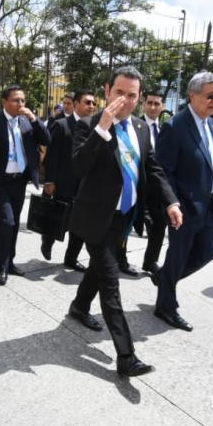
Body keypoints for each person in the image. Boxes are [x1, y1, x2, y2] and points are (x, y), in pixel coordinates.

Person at [68, 66, 182, 377]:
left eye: (132, 95)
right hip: (95, 217)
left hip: (124, 217)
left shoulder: (142, 130)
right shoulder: (89, 124)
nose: (126, 100)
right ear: (107, 91)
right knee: (110, 281)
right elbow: (78, 167)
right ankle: (126, 356)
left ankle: (78, 306)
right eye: (120, 93)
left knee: (98, 269)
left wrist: (171, 201)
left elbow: (153, 169)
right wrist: (102, 128)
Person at [152, 71, 213, 331]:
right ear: (191, 96)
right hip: (184, 207)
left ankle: (164, 279)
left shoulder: (211, 123)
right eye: (210, 95)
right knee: (178, 254)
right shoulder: (175, 127)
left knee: (208, 251)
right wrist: (172, 203)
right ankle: (166, 306)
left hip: (208, 205)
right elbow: (163, 171)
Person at [0, 85, 50, 285]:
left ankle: (10, 261)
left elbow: (46, 139)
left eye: (23, 100)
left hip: (19, 181)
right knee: (5, 223)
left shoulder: (26, 122)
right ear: (4, 102)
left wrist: (34, 119)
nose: (21, 104)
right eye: (16, 100)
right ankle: (1, 266)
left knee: (14, 223)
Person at [40, 88, 96, 270]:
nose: (91, 106)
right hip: (63, 183)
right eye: (87, 102)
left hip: (85, 186)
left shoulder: (96, 127)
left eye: (94, 103)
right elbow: (52, 156)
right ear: (76, 104)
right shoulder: (62, 125)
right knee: (58, 220)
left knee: (80, 226)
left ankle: (71, 259)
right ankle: (47, 241)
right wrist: (49, 181)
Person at [138, 89, 169, 277]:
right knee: (126, 222)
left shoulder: (167, 129)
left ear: (162, 107)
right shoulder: (135, 125)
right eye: (149, 103)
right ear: (143, 104)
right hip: (137, 182)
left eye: (157, 104)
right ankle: (120, 257)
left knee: (159, 224)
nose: (152, 107)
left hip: (157, 185)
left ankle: (150, 262)